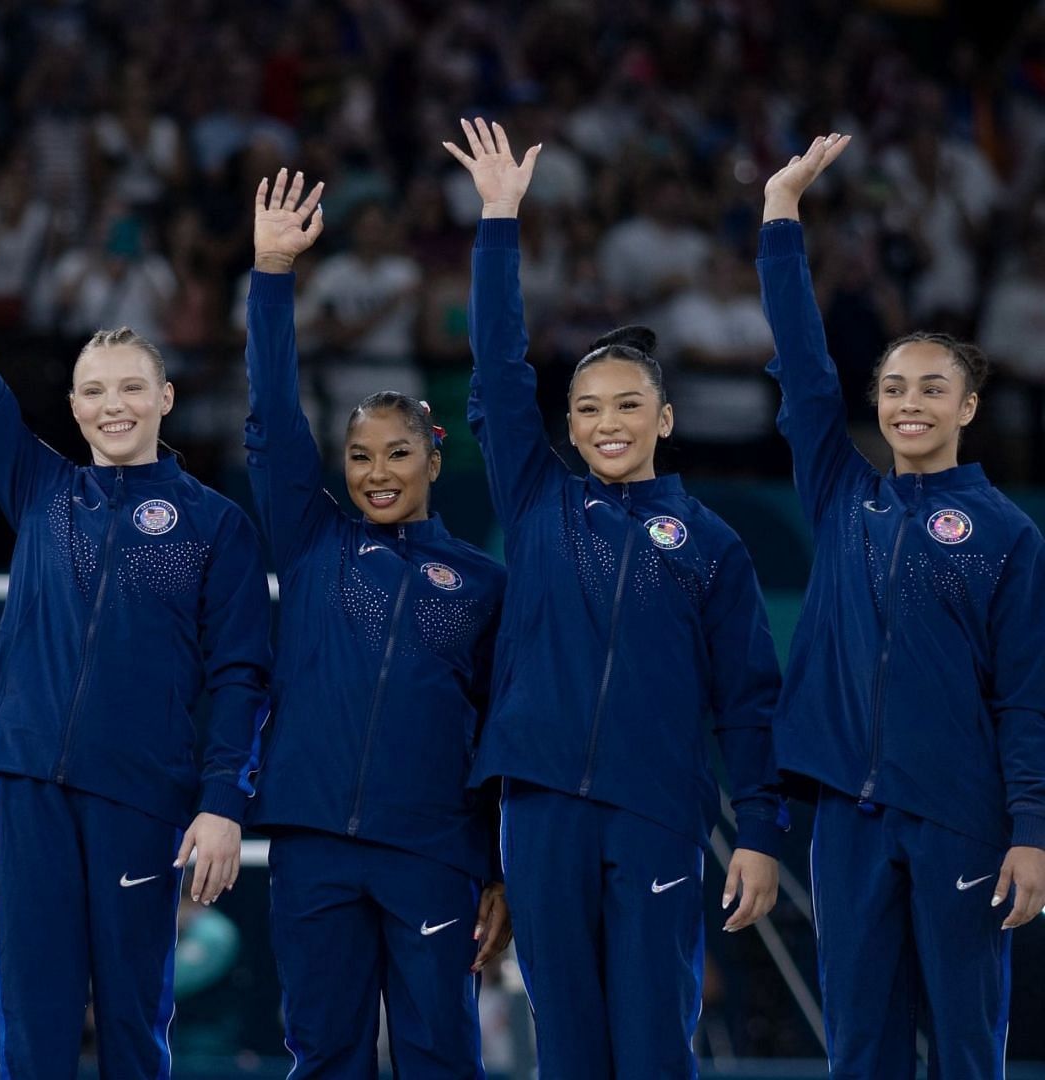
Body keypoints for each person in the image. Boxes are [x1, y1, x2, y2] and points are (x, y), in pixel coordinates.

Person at [0, 133, 272, 1077]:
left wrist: (224, 802)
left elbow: (242, 673)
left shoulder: (215, 525)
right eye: (94, 392)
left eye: (131, 389)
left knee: (130, 1022)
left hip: (140, 793)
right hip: (27, 784)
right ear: (73, 409)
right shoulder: (40, 487)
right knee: (28, 1022)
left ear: (165, 396)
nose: (114, 406)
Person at [444, 118, 786, 1077]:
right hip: (542, 807)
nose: (605, 423)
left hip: (654, 812)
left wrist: (759, 832)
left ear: (665, 418)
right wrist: (500, 221)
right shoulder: (539, 500)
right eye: (588, 408)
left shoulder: (711, 546)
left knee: (652, 1043)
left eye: (628, 404)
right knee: (570, 1046)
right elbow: (501, 375)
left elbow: (750, 702)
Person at [755, 133, 1045, 1078]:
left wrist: (1033, 831)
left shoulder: (1007, 534)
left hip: (959, 815)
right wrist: (780, 218)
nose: (907, 403)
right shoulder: (844, 494)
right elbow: (802, 371)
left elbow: (1028, 696)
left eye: (931, 389)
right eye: (892, 389)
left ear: (968, 406)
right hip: (847, 813)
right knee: (859, 1048)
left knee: (967, 1045)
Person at [241, 167, 510, 1078]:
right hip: (313, 840)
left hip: (432, 850)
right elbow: (276, 423)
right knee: (323, 1053)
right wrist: (272, 278)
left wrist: (499, 870)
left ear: (434, 460)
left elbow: (499, 740)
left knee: (441, 1055)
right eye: (359, 456)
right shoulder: (312, 540)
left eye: (397, 453)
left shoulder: (482, 582)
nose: (376, 472)